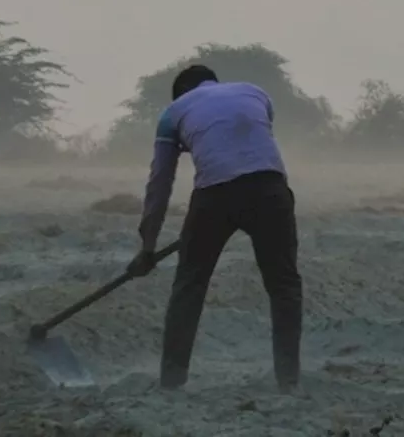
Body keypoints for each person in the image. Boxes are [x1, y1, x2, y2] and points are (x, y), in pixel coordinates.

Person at [125, 64, 303, 393]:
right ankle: (289, 380)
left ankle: (171, 382)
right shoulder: (255, 93)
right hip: (271, 188)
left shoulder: (173, 113)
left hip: (214, 196)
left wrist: (147, 248)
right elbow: (254, 139)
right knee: (284, 285)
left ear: (182, 93)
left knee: (189, 287)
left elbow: (160, 183)